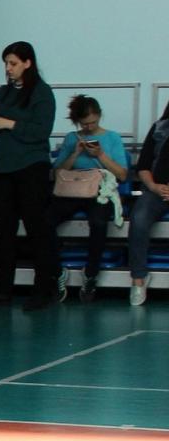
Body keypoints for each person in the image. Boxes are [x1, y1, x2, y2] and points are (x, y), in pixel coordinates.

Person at [0, 41, 56, 309]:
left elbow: (40, 132)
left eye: (13, 63)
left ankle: (43, 290)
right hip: (4, 167)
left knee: (35, 228)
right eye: (6, 64)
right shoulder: (4, 92)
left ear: (27, 63)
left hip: (32, 167)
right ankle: (2, 289)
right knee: (5, 230)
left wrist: (10, 123)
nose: (8, 69)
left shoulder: (42, 93)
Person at [49, 94, 128, 302]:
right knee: (43, 221)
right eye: (85, 124)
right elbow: (57, 171)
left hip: (98, 190)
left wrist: (100, 155)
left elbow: (122, 174)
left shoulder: (112, 138)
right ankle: (57, 272)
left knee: (99, 222)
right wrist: (74, 154)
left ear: (100, 116)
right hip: (71, 189)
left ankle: (91, 273)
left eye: (93, 122)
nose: (90, 127)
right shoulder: (71, 138)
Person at [130, 105, 169, 308]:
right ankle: (138, 280)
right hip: (156, 191)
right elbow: (143, 166)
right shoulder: (159, 128)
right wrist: (154, 186)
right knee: (138, 219)